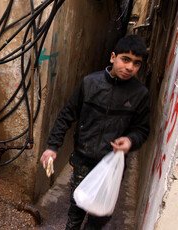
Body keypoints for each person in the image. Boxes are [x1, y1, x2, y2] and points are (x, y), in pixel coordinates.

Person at [40, 35, 150, 230]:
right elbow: (66, 115)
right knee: (77, 206)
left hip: (111, 165)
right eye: (125, 59)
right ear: (113, 57)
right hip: (83, 158)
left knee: (99, 215)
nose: (130, 67)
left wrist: (130, 140)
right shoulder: (90, 83)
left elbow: (142, 129)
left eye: (136, 63)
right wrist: (52, 147)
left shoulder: (140, 94)